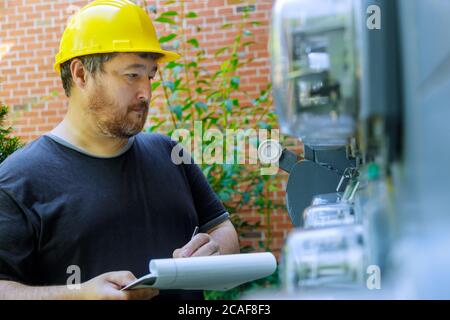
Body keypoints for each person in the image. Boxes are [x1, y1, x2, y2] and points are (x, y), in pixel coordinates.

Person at [0, 0, 239, 300]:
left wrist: (214, 253)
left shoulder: (169, 154)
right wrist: (77, 294)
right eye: (132, 75)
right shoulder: (18, 180)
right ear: (81, 74)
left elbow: (223, 230)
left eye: (150, 76)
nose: (147, 93)